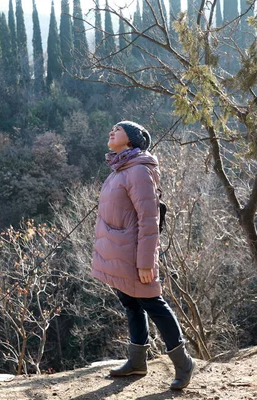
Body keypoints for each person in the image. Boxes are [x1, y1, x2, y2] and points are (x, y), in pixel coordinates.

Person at [91, 121, 195, 390]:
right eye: (111, 128)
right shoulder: (119, 169)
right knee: (131, 303)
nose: (111, 131)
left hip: (135, 255)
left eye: (118, 129)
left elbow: (149, 219)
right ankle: (137, 360)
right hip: (119, 254)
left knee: (154, 305)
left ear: (131, 140)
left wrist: (146, 261)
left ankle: (184, 363)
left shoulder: (138, 170)